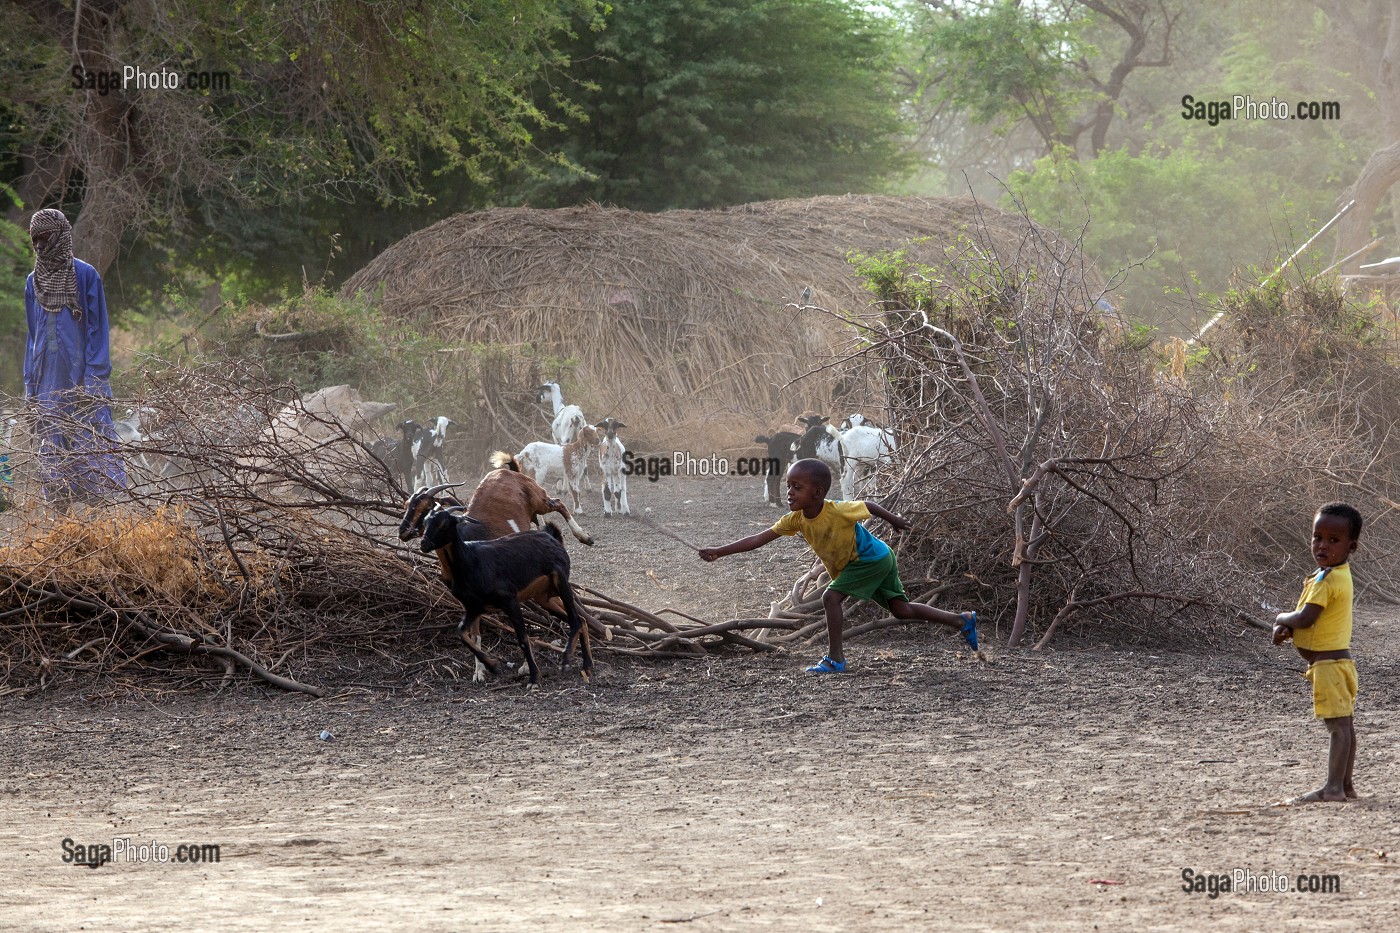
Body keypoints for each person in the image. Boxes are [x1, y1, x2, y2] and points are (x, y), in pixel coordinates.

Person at [699, 458, 978, 672]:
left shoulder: (835, 510)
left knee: (830, 597)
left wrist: (895, 520)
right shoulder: (795, 520)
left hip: (870, 559)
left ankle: (836, 660)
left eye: (797, 487)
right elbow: (759, 538)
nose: (790, 493)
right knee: (901, 610)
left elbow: (868, 505)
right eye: (788, 487)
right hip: (880, 558)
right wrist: (719, 552)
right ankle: (961, 620)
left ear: (817, 492)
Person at [22, 208, 126, 503]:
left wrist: (93, 381)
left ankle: (101, 527)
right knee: (53, 455)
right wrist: (30, 386)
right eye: (35, 240)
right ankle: (62, 530)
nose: (41, 246)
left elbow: (97, 330)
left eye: (46, 238)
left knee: (92, 447)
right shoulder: (33, 282)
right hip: (46, 383)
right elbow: (33, 337)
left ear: (61, 237)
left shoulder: (85, 275)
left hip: (82, 380)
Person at [1271, 502, 1363, 804]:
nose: (1323, 545)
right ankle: (1346, 786)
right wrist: (1291, 629)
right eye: (1318, 537)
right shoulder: (1333, 575)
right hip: (1340, 664)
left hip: (1328, 666)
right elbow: (1311, 622)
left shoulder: (1327, 579)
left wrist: (1281, 619)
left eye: (1333, 541)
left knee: (1338, 729)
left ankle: (1333, 788)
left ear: (1352, 546)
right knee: (1345, 726)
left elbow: (1304, 618)